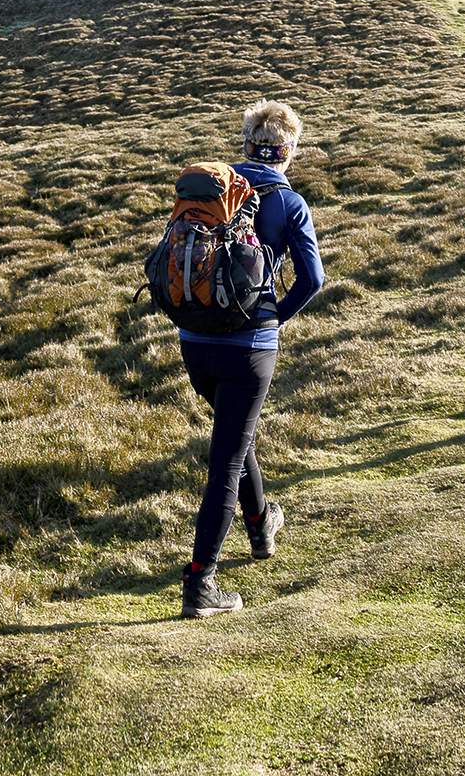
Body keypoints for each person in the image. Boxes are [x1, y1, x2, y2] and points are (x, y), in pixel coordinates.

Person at [179, 99, 325, 619]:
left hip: (194, 341)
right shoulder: (290, 203)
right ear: (288, 153)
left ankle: (261, 524)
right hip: (249, 348)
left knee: (233, 437)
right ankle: (201, 586)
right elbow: (312, 280)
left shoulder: (211, 188)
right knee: (227, 461)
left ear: (246, 144)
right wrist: (275, 318)